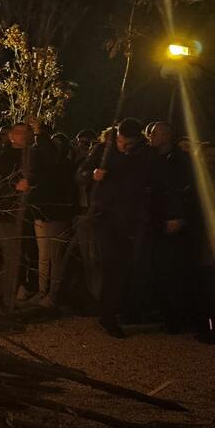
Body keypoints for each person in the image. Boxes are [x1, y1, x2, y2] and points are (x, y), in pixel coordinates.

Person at [79, 118, 154, 338]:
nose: (124, 146)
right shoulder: (103, 151)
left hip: (131, 218)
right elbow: (80, 174)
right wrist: (92, 175)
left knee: (127, 266)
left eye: (129, 143)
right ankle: (108, 314)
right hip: (104, 217)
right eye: (121, 142)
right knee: (111, 264)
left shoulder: (143, 155)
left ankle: (122, 309)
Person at [146, 121, 193, 331]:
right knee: (157, 267)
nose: (151, 137)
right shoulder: (151, 158)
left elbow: (182, 190)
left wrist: (179, 216)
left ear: (167, 136)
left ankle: (176, 317)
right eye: (150, 134)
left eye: (155, 134)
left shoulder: (180, 160)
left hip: (171, 219)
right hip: (154, 219)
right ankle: (162, 311)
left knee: (173, 268)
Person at [0, 122, 33, 312]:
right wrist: (13, 188)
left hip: (23, 213)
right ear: (11, 135)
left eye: (25, 132)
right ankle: (4, 300)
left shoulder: (30, 156)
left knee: (16, 258)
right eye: (18, 132)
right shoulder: (2, 158)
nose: (22, 136)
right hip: (5, 214)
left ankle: (0, 297)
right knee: (12, 257)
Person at [29, 122, 78, 308]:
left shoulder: (64, 167)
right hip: (43, 212)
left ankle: (54, 295)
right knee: (43, 255)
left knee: (56, 257)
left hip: (58, 215)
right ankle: (42, 290)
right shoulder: (45, 167)